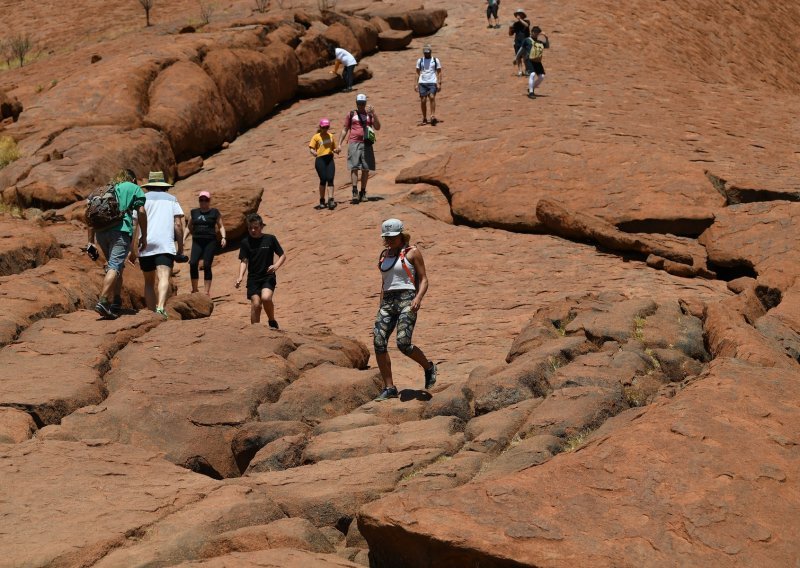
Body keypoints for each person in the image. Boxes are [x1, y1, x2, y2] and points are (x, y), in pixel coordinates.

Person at [372, 218, 437, 401]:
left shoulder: (412, 252)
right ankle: (389, 387)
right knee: (378, 342)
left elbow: (424, 279)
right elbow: (384, 282)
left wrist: (418, 298)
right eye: (387, 237)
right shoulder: (384, 255)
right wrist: (381, 304)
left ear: (402, 235)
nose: (389, 240)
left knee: (403, 343)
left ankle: (428, 367)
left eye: (393, 237)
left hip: (407, 299)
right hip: (387, 302)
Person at [87, 168, 147, 319]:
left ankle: (116, 301)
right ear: (132, 179)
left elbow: (89, 216)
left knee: (116, 265)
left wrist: (90, 241)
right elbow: (140, 211)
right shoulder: (133, 187)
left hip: (101, 233)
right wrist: (144, 235)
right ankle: (103, 300)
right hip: (120, 231)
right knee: (114, 265)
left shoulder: (102, 190)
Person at [129, 171, 185, 318]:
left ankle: (152, 312)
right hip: (165, 244)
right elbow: (178, 225)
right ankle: (160, 307)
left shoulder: (142, 199)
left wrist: (132, 249)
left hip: (145, 243)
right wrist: (180, 248)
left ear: (149, 186)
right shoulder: (172, 199)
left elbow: (134, 224)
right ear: (163, 185)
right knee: (164, 276)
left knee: (148, 281)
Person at [235, 213, 287, 328]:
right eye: (250, 228)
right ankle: (255, 331)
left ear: (261, 226)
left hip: (268, 276)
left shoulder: (270, 239)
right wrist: (240, 276)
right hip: (253, 278)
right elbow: (244, 261)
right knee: (256, 304)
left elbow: (282, 255)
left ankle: (272, 320)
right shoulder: (245, 242)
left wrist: (276, 266)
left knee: (266, 298)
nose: (253, 230)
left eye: (256, 227)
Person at [338, 93, 381, 205]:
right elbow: (345, 129)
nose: (361, 105)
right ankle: (354, 190)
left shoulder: (369, 115)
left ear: (365, 103)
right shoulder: (351, 114)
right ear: (356, 103)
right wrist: (339, 144)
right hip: (354, 142)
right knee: (354, 166)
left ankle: (363, 192)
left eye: (363, 103)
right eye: (359, 103)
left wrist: (374, 114)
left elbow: (377, 127)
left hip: (366, 143)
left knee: (366, 168)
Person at [186, 191, 227, 296]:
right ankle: (195, 289)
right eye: (201, 200)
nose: (203, 202)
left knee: (207, 265)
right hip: (197, 241)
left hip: (210, 241)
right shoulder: (194, 212)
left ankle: (206, 292)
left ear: (209, 201)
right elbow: (188, 227)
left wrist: (223, 237)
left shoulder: (214, 212)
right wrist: (183, 239)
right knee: (193, 263)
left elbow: (221, 226)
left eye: (206, 200)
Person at [308, 118, 340, 210]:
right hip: (320, 159)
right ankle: (322, 200)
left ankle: (331, 200)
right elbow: (311, 148)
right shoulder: (316, 137)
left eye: (327, 127)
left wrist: (336, 150)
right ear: (320, 127)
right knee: (323, 179)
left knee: (330, 179)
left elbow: (333, 148)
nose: (325, 129)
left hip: (329, 158)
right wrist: (313, 152)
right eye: (324, 127)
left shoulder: (331, 136)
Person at [415, 44, 442, 126]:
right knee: (423, 100)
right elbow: (417, 73)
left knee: (432, 97)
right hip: (422, 82)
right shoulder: (420, 61)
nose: (426, 54)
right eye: (425, 53)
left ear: (430, 52)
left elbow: (439, 72)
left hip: (432, 82)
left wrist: (439, 83)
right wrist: (416, 84)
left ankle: (432, 115)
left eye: (428, 52)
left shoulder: (435, 60)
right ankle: (424, 118)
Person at [527, 26, 549, 98]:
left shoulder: (539, 42)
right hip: (529, 60)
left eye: (537, 33)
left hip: (537, 61)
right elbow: (521, 49)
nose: (536, 34)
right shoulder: (527, 40)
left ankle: (531, 88)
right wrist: (517, 58)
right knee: (532, 74)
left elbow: (547, 46)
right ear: (532, 32)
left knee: (541, 76)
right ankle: (531, 93)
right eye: (535, 32)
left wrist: (546, 37)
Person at [508, 8, 531, 76]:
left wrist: (520, 20)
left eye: (519, 14)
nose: (518, 15)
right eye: (517, 14)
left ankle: (527, 70)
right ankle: (520, 71)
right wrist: (510, 28)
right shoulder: (515, 24)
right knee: (518, 57)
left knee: (525, 57)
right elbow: (510, 34)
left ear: (523, 15)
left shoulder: (527, 21)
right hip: (517, 42)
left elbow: (526, 26)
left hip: (525, 42)